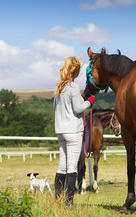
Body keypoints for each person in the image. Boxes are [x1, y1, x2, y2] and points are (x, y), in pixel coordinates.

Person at [53, 56, 95, 206]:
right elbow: (78, 108)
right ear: (75, 71)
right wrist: (89, 102)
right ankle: (69, 203)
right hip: (73, 131)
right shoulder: (73, 87)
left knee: (62, 166)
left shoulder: (58, 88)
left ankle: (57, 201)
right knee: (72, 167)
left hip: (60, 131)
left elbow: (55, 108)